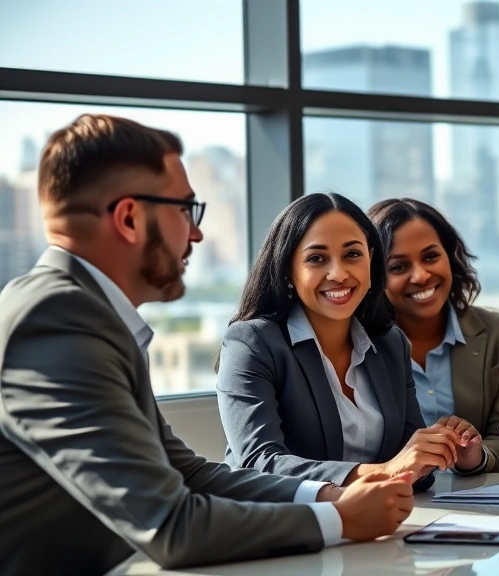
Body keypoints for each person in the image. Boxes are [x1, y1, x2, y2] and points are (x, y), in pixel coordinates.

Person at [0, 115, 413, 574]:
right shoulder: (57, 322)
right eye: (185, 211)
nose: (195, 233)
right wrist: (339, 519)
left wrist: (330, 493)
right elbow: (171, 526)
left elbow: (189, 473)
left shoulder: (82, 314)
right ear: (130, 218)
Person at [216, 193, 484, 492]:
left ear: (371, 260)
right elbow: (259, 462)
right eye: (316, 258)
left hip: (377, 522)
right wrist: (384, 471)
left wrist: (438, 449)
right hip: (282, 525)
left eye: (352, 254)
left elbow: (412, 468)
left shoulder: (389, 343)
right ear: (287, 270)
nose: (338, 273)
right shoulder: (252, 342)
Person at [368, 198, 499, 474]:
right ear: (374, 277)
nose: (420, 275)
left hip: (474, 502)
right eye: (398, 267)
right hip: (387, 497)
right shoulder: (357, 344)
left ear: (450, 257)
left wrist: (475, 456)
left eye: (431, 257)